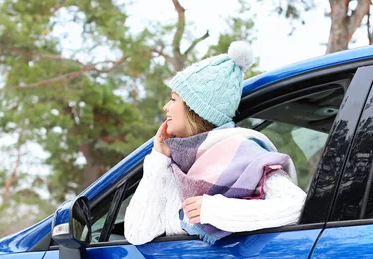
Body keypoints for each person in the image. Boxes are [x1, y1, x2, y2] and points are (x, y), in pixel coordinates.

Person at [125, 41, 306, 245]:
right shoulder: (174, 165)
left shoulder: (247, 156)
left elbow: (297, 206)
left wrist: (215, 210)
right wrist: (158, 158)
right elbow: (136, 233)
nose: (166, 107)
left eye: (174, 99)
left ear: (195, 109)